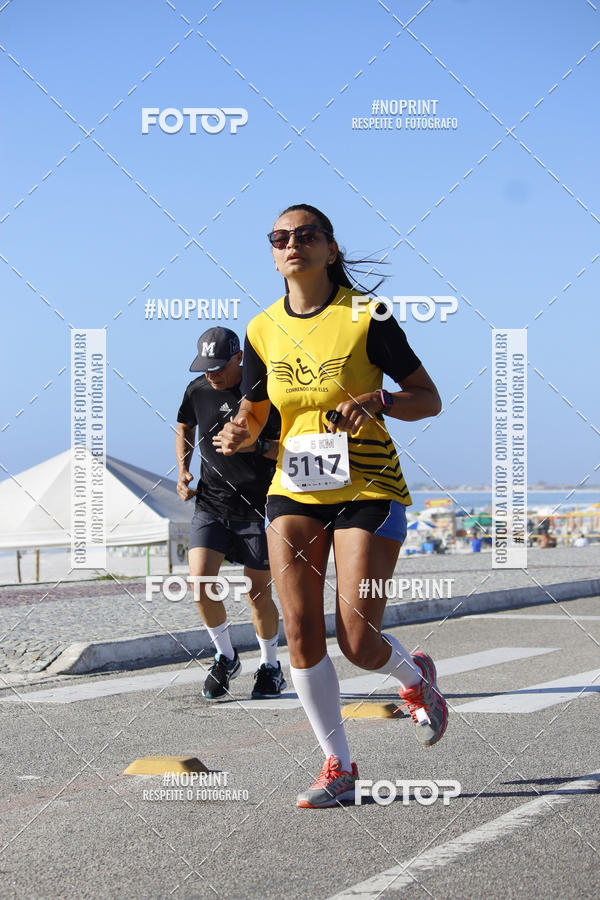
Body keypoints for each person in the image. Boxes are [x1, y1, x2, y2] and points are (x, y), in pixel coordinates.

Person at [215, 205, 448, 808]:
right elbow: (257, 407)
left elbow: (430, 399)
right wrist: (241, 430)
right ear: (273, 253)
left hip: (368, 489)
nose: (293, 244)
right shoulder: (262, 328)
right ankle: (338, 767)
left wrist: (381, 401)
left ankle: (414, 676)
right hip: (294, 488)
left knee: (358, 641)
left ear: (331, 248)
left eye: (307, 235)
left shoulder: (365, 316)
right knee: (298, 631)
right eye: (280, 237)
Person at [176, 326, 286, 701]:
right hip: (211, 504)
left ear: (240, 358)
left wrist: (251, 446)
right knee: (200, 585)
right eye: (205, 367)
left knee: (258, 595)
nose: (211, 374)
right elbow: (184, 424)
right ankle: (225, 655)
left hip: (259, 508)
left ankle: (270, 665)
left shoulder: (263, 393)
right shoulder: (198, 391)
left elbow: (285, 448)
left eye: (219, 367)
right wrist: (182, 468)